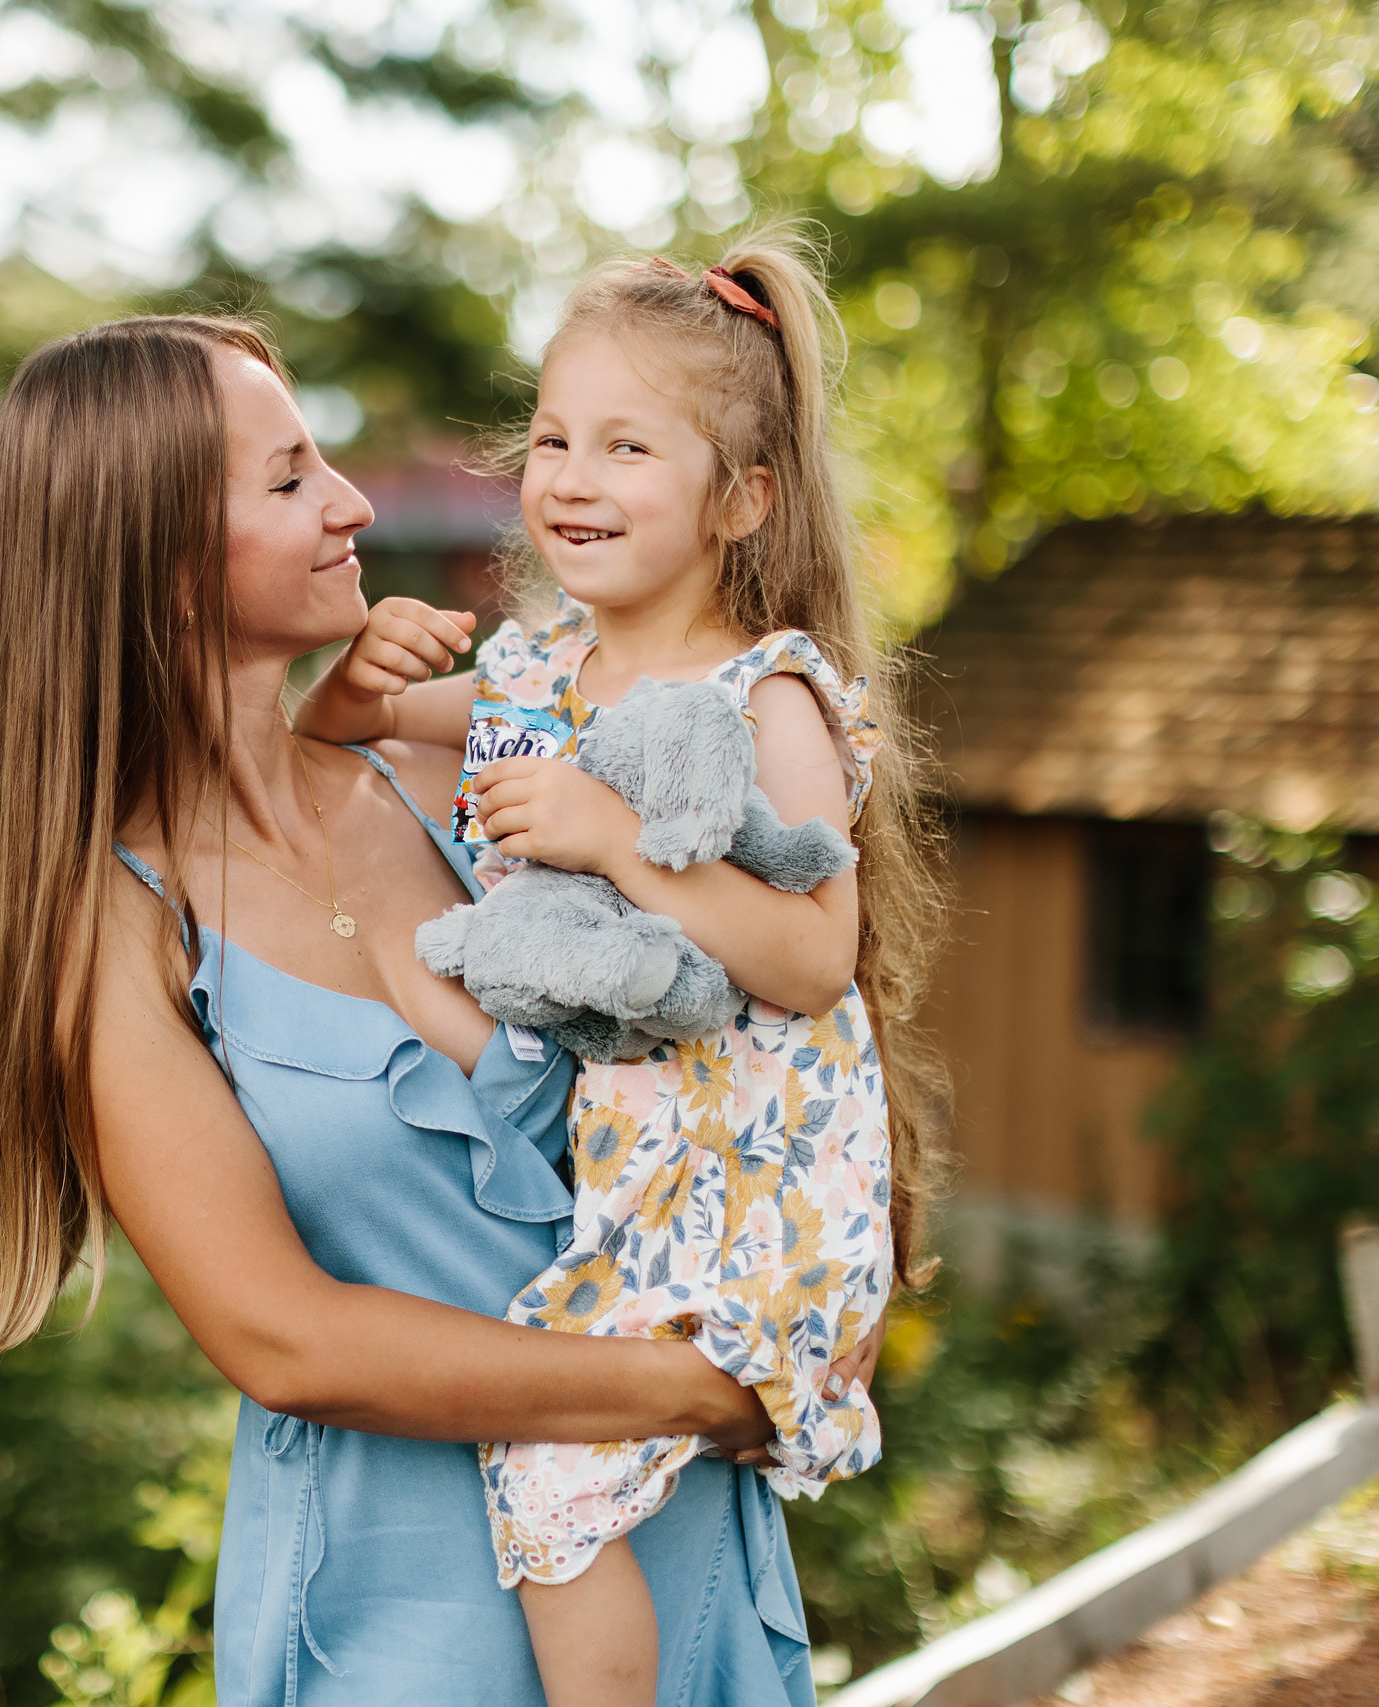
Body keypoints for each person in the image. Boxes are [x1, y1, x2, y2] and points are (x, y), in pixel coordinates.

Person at [0, 312, 879, 1705]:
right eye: (292, 476)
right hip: (399, 1626)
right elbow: (284, 1338)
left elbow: (759, 1007)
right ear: (162, 561)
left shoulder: (459, 786)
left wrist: (820, 1268)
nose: (355, 503)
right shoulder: (113, 927)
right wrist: (702, 1391)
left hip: (685, 1563)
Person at [293, 234, 942, 1707]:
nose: (571, 477)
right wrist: (355, 668)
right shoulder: (529, 682)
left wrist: (612, 836)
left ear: (742, 499)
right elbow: (343, 736)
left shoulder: (764, 690)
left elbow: (809, 952)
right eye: (553, 439)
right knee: (555, 1491)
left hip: (754, 1189)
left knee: (547, 1483)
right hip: (637, 1183)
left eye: (627, 446)